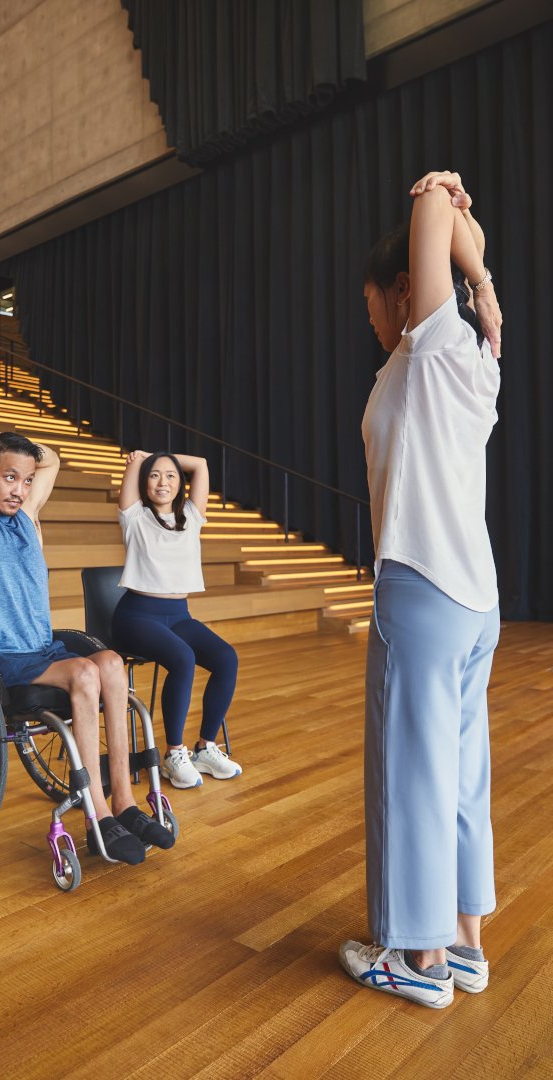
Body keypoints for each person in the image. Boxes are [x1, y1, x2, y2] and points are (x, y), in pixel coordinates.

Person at [338, 171, 503, 1008]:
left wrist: (440, 193)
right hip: (476, 598)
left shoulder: (434, 342)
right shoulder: (476, 354)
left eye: (372, 301)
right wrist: (483, 285)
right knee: (461, 770)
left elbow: (434, 208)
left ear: (405, 288)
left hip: (423, 588)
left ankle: (417, 957)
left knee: (411, 774)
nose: (369, 320)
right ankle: (466, 944)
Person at [0, 424, 174, 864]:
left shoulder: (27, 520)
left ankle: (124, 801)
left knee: (112, 663)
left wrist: (20, 453)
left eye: (26, 479)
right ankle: (97, 814)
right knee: (83, 671)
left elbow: (52, 461)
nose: (21, 489)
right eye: (9, 477)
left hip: (40, 649)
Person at [112, 450, 241, 788]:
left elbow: (201, 463)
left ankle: (205, 747)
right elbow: (134, 486)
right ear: (144, 481)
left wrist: (159, 457)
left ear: (181, 483)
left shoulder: (192, 517)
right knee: (183, 657)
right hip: (136, 615)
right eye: (154, 475)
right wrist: (140, 460)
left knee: (226, 658)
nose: (163, 481)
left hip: (178, 615)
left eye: (170, 475)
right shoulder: (135, 517)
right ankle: (173, 753)